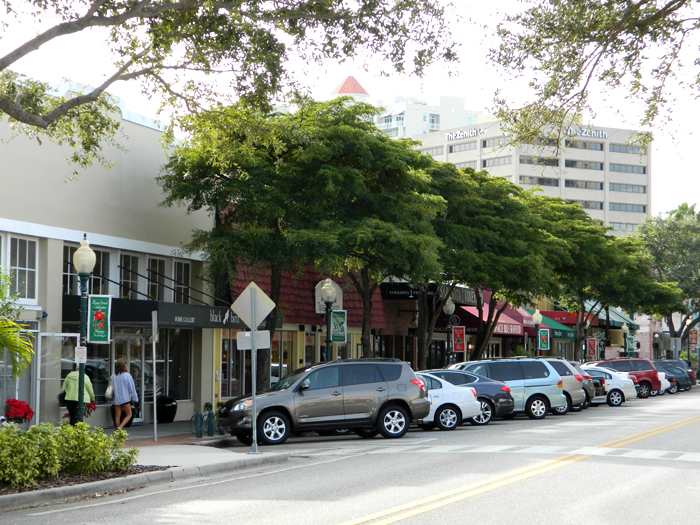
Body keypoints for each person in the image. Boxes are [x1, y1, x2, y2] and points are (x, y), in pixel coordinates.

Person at [112, 358, 139, 430]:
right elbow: (132, 388)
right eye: (126, 364)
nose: (127, 366)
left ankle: (117, 431)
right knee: (129, 414)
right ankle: (120, 427)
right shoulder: (127, 376)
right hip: (125, 398)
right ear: (123, 366)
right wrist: (135, 398)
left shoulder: (113, 376)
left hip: (116, 398)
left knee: (117, 416)